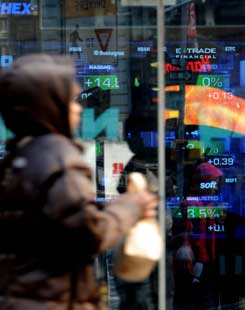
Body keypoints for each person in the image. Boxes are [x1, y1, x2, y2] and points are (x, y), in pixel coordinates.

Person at [0, 54, 158, 309]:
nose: (78, 108)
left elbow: (54, 225)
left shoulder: (20, 156)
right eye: (70, 100)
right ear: (48, 105)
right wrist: (131, 206)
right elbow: (87, 234)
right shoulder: (59, 157)